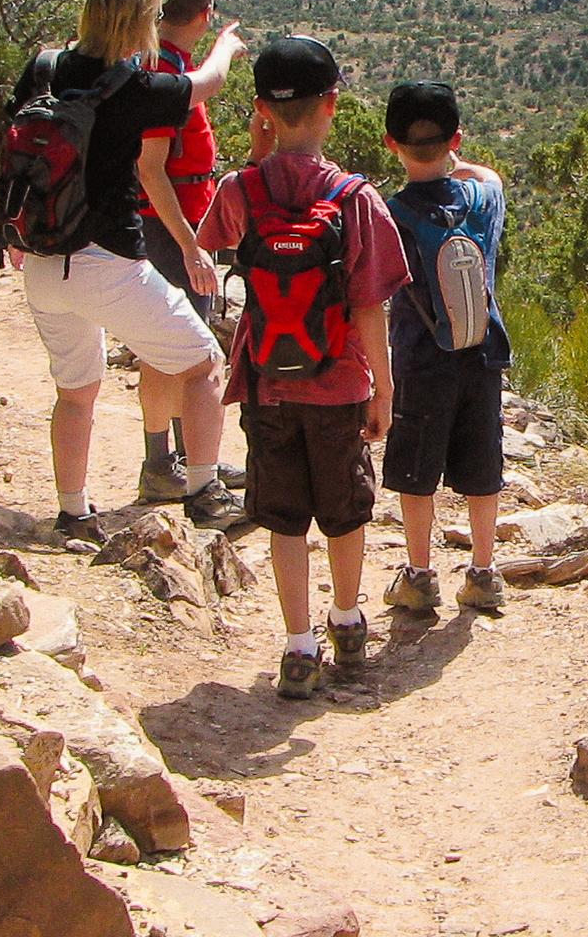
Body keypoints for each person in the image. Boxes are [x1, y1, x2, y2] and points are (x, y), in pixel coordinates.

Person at [197, 36, 408, 699]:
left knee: (283, 516)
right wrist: (384, 386)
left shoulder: (239, 189)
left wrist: (257, 162)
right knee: (345, 511)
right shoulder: (355, 197)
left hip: (267, 383)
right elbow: (370, 304)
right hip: (339, 381)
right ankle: (346, 622)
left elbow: (214, 238)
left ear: (261, 109)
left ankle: (296, 646)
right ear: (332, 106)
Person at [6, 0, 247, 542]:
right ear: (143, 19)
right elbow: (206, 84)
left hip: (42, 259)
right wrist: (226, 47)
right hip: (109, 261)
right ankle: (204, 493)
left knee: (76, 392)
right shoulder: (131, 87)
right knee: (203, 364)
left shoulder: (44, 67)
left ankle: (73, 511)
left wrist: (17, 229)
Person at [377, 81, 511, 614]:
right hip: (481, 352)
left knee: (417, 472)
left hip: (420, 358)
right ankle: (482, 573)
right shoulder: (486, 196)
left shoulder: (389, 214)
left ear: (391, 144)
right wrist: (455, 161)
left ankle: (419, 575)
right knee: (483, 465)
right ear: (457, 137)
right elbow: (485, 173)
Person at [134, 0, 246, 503]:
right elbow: (150, 168)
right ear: (204, 13)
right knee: (183, 349)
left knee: (174, 347)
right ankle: (174, 466)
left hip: (173, 229)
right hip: (168, 231)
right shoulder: (162, 74)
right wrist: (190, 244)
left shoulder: (164, 63)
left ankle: (176, 457)